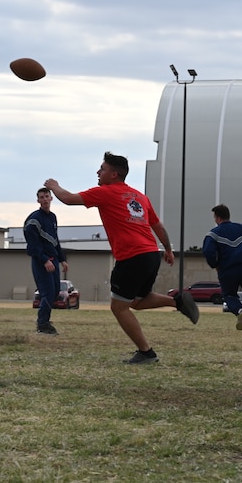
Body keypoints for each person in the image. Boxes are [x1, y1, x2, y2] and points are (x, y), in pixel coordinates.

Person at [44, 152, 197, 365]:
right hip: (151, 253)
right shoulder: (140, 197)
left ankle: (146, 352)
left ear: (114, 174)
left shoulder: (105, 192)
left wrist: (54, 185)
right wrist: (168, 249)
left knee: (118, 306)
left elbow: (68, 199)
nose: (98, 172)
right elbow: (158, 225)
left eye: (102, 169)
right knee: (135, 301)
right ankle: (177, 301)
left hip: (132, 256)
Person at [202, 204, 242, 335]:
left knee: (229, 295)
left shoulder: (213, 234)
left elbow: (208, 251)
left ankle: (239, 311)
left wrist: (215, 265)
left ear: (218, 218)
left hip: (227, 269)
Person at [24, 188, 68, 336]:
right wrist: (44, 260)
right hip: (41, 260)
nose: (44, 199)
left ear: (51, 198)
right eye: (41, 197)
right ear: (38, 200)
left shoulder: (52, 217)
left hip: (53, 260)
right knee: (47, 292)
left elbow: (55, 240)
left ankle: (45, 322)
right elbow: (33, 245)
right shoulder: (33, 220)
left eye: (46, 196)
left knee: (55, 291)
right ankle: (42, 324)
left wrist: (62, 259)